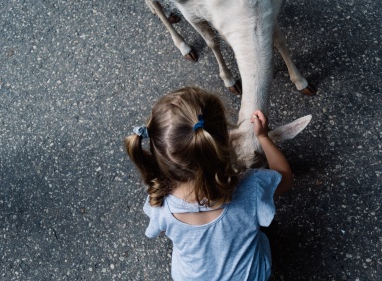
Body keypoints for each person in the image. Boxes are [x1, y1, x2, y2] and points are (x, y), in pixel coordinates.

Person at [124, 87, 293, 280]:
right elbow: (285, 177)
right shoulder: (252, 186)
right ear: (223, 142)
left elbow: (161, 229)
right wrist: (263, 137)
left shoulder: (159, 201)